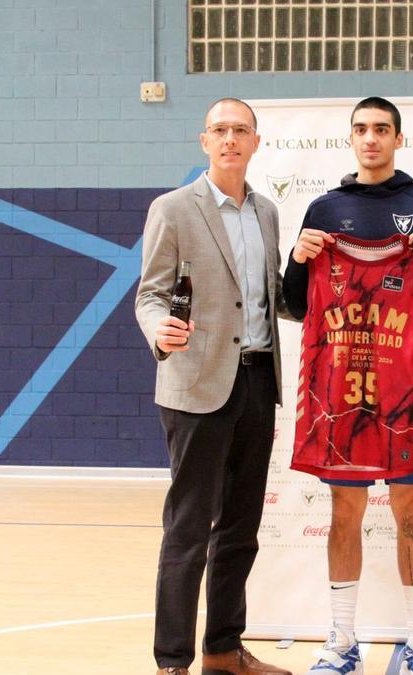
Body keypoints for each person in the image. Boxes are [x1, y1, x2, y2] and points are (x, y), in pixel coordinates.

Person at [283, 96, 413, 675]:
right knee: (345, 510)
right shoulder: (323, 208)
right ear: (352, 138)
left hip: (407, 391)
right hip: (340, 392)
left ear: (398, 139)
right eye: (362, 129)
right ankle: (340, 640)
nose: (372, 138)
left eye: (382, 130)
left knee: (411, 509)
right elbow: (298, 305)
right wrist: (297, 258)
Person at [135, 98, 293, 675]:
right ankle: (172, 662)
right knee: (188, 529)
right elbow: (150, 293)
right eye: (220, 130)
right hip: (195, 386)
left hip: (257, 382)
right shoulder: (174, 209)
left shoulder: (269, 212)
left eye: (241, 130)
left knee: (241, 529)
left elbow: (273, 295)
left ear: (256, 142)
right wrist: (162, 330)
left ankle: (223, 651)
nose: (230, 138)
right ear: (205, 141)